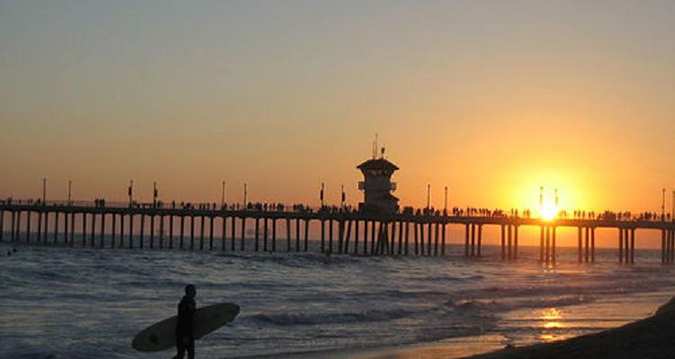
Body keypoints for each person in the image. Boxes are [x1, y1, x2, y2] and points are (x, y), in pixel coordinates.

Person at [174, 284, 197, 359]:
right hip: (184, 333)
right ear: (189, 292)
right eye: (193, 290)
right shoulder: (187, 303)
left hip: (183, 332)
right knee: (187, 355)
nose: (195, 292)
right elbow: (185, 320)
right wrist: (185, 336)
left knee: (181, 354)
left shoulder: (186, 301)